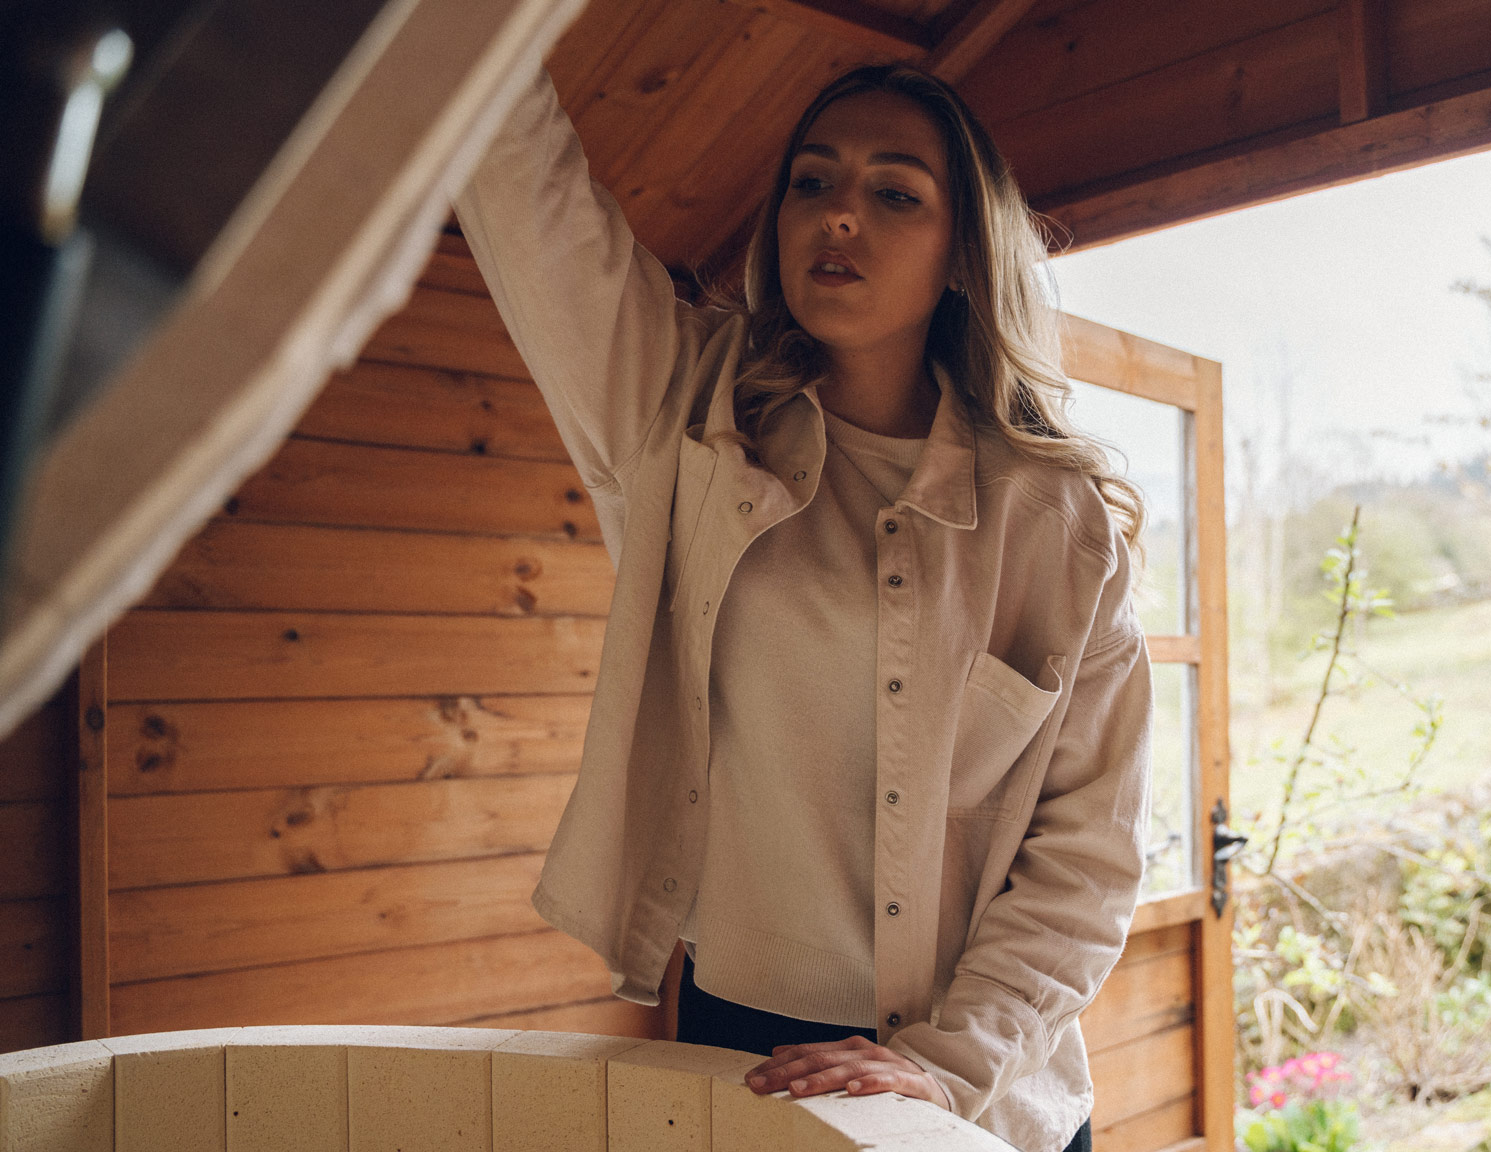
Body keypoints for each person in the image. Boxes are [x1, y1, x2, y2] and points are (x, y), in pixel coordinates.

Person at [453, 57, 1154, 1152]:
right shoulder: (678, 419)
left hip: (986, 1087)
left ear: (964, 253)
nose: (838, 214)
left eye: (893, 192)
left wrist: (943, 1061)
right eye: (811, 182)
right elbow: (521, 185)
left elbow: (1090, 857)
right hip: (746, 1050)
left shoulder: (1059, 523)